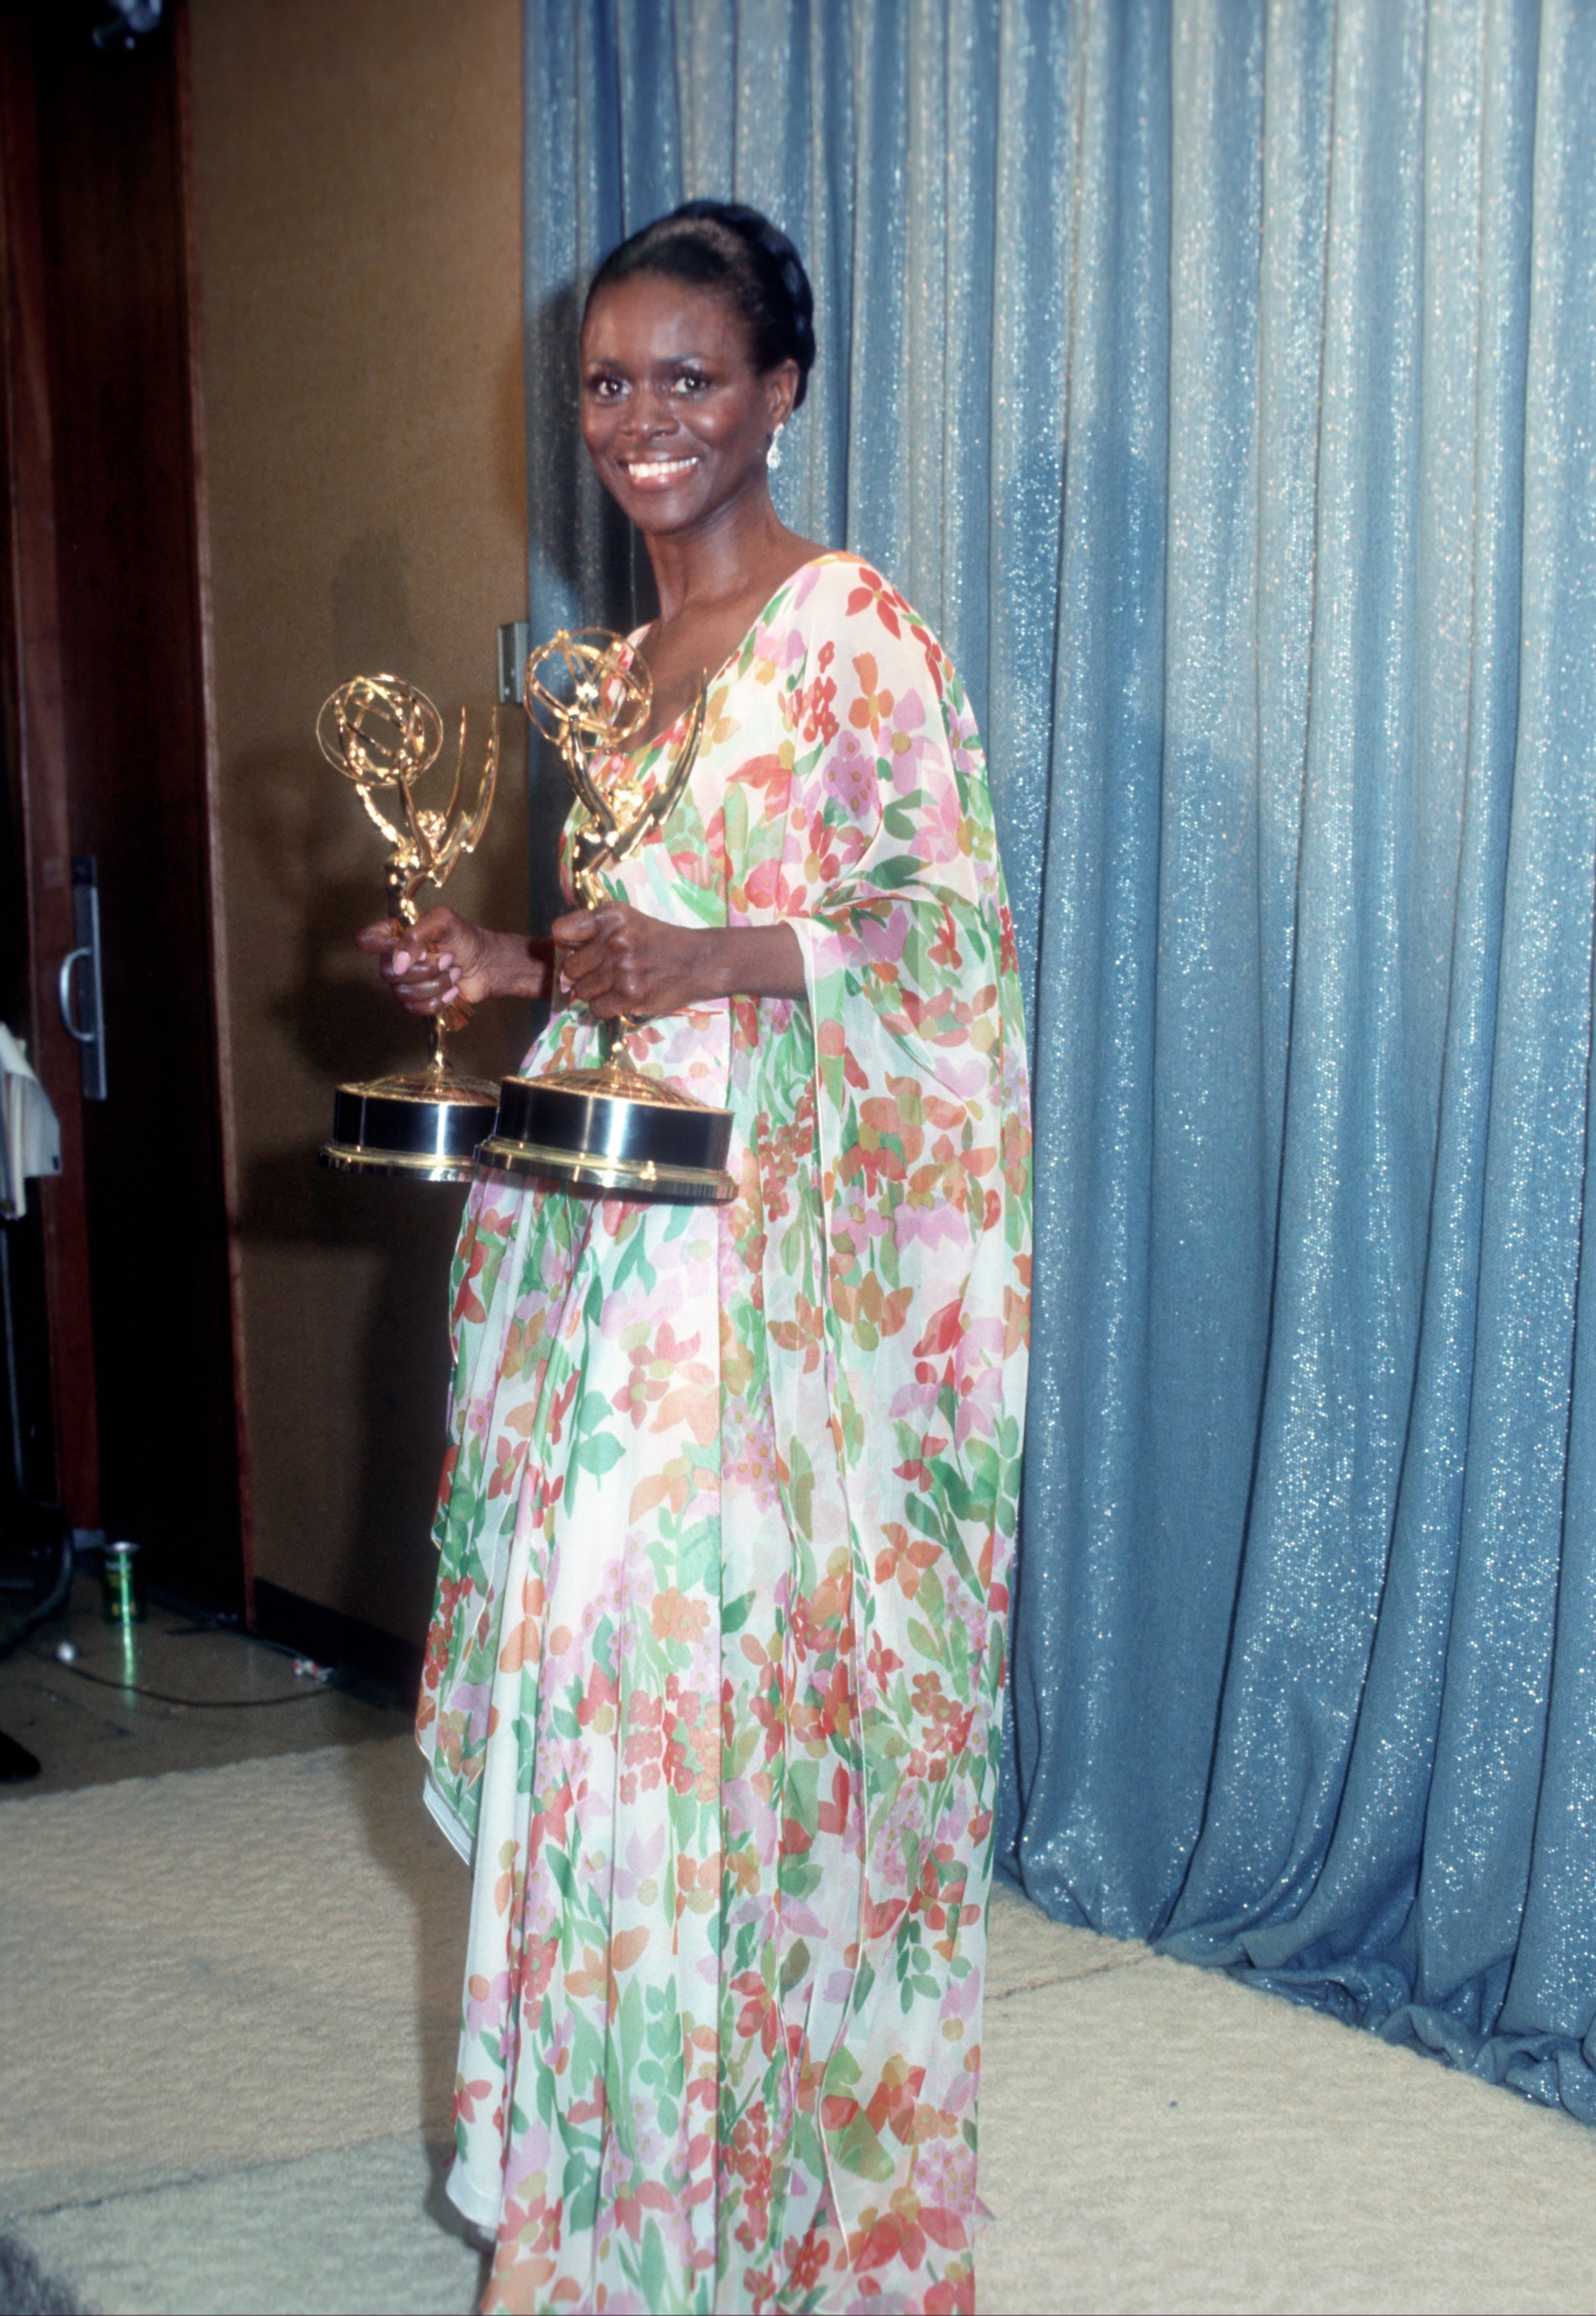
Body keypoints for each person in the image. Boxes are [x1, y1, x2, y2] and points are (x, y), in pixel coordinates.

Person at [360, 200, 1032, 2316]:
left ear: (780, 395)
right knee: (593, 1705)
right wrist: (505, 958)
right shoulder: (616, 668)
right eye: (610, 381)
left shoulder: (855, 633)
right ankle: (605, 2201)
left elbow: (948, 953)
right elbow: (615, 961)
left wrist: (725, 951)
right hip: (599, 1270)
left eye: (690, 378)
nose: (644, 420)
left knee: (701, 1721)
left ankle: (766, 2206)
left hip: (768, 1309)